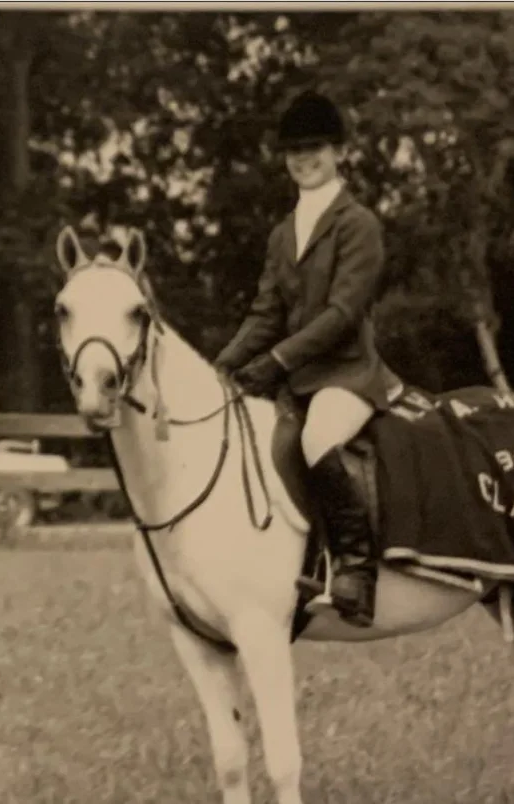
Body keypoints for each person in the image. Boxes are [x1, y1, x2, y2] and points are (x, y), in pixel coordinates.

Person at [213, 90, 402, 628]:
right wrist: (222, 367)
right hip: (296, 381)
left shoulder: (358, 224)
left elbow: (343, 313)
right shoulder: (282, 233)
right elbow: (265, 311)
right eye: (294, 149)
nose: (303, 158)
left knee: (320, 438)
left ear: (339, 151)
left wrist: (275, 360)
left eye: (314, 147)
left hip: (347, 375)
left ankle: (357, 571)